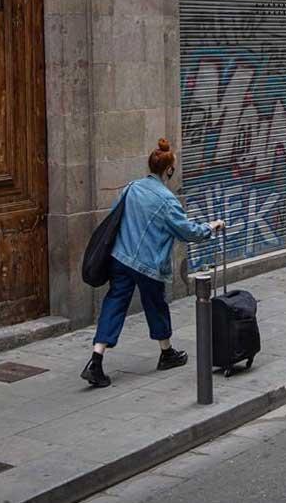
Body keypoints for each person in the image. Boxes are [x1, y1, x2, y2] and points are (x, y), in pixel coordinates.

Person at [81, 139, 225, 388]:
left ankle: (96, 358)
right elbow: (187, 231)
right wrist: (210, 227)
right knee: (156, 305)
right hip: (147, 265)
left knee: (114, 303)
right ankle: (166, 353)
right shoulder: (167, 201)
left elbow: (116, 217)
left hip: (121, 259)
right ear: (168, 170)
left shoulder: (131, 188)